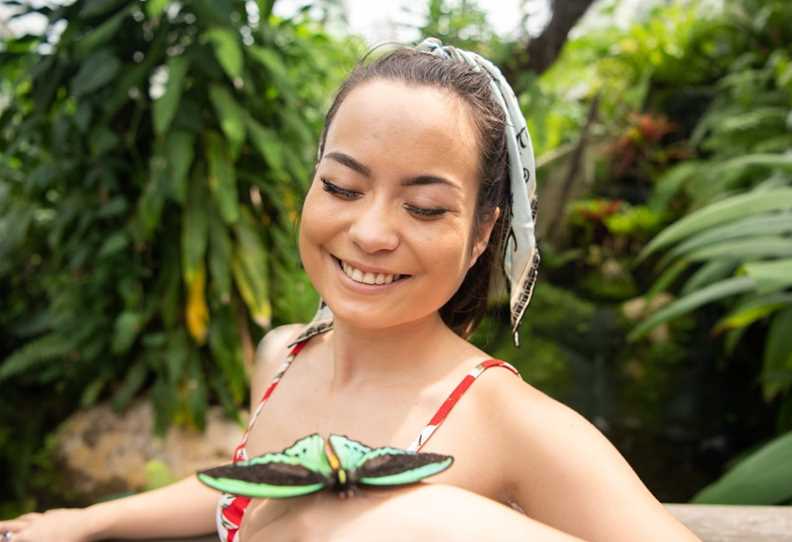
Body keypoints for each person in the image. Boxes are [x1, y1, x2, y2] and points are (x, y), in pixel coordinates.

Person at [0, 38, 700, 542]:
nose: (369, 233)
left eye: (423, 208)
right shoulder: (283, 357)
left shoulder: (507, 420)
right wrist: (88, 520)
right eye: (341, 186)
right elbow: (258, 483)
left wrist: (428, 521)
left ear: (484, 231)